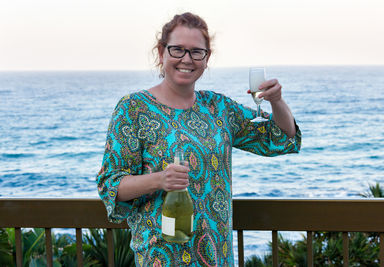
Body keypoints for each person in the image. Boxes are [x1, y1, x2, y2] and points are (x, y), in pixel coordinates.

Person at [97, 12, 301, 266]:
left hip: (217, 254)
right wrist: (159, 179)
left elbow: (280, 138)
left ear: (206, 59)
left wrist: (276, 101)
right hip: (162, 256)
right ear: (161, 53)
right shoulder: (133, 108)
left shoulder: (218, 108)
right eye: (177, 50)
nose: (186, 59)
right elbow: (110, 185)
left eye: (196, 52)